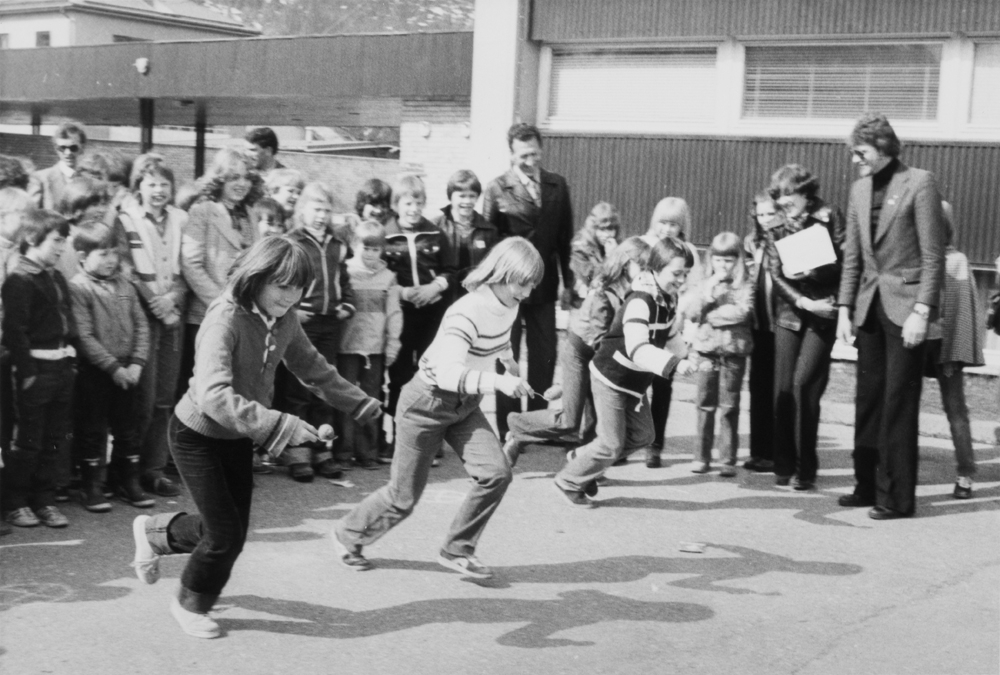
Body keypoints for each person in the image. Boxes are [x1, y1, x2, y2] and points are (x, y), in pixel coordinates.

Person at [129, 236, 381, 639]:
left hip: (237, 436)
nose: (291, 296)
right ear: (256, 277)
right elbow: (213, 397)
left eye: (299, 288)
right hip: (197, 435)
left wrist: (358, 402)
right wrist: (280, 425)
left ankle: (155, 532)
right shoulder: (224, 318)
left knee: (228, 532)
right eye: (282, 285)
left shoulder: (284, 317)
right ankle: (189, 603)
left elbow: (311, 366)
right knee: (224, 536)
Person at [333, 237, 542, 579]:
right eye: (523, 283)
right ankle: (347, 534)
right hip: (426, 403)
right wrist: (502, 383)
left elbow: (500, 335)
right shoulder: (466, 310)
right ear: (502, 273)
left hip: (464, 403)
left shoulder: (510, 303)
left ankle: (457, 549)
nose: (528, 292)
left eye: (533, 284)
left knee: (497, 473)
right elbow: (448, 373)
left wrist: (509, 362)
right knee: (403, 498)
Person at [837, 112, 946, 520]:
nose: (855, 160)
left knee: (898, 402)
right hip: (868, 306)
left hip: (906, 308)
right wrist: (845, 309)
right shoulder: (859, 189)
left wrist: (923, 310)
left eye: (860, 152)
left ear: (883, 148)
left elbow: (933, 255)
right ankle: (865, 485)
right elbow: (853, 256)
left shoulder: (920, 182)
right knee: (868, 400)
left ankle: (896, 497)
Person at [553, 238, 696, 508]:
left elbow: (670, 334)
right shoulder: (640, 301)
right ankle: (569, 481)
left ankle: (583, 459)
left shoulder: (668, 298)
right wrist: (675, 364)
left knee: (643, 436)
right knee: (611, 443)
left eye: (685, 274)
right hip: (612, 378)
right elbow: (638, 349)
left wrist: (689, 356)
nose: (681, 280)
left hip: (634, 382)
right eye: (676, 273)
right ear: (656, 268)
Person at [504, 237, 651, 460]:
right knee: (569, 421)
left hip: (601, 357)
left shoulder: (632, 291)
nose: (646, 274)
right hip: (581, 353)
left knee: (596, 420)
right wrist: (565, 385)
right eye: (642, 267)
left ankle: (585, 466)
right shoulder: (604, 293)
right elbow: (598, 341)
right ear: (626, 262)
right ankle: (518, 427)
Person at [483, 123, 574, 443]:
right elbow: (489, 243)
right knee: (505, 353)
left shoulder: (557, 185)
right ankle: (509, 426)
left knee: (544, 355)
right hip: (508, 289)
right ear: (511, 154)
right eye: (523, 155)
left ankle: (537, 423)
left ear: (541, 149)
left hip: (546, 287)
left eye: (534, 153)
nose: (530, 161)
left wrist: (568, 283)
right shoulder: (496, 189)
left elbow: (565, 239)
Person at [766, 165, 844, 490]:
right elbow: (775, 272)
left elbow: (844, 264)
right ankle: (783, 464)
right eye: (779, 198)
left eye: (789, 196)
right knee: (783, 390)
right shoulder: (775, 227)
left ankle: (806, 468)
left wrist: (813, 273)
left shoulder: (828, 217)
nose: (784, 203)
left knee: (803, 386)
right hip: (792, 312)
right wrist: (802, 300)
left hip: (823, 313)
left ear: (805, 192)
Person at [115, 154, 188, 498]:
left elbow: (187, 268)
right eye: (151, 183)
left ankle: (153, 470)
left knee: (164, 400)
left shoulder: (181, 218)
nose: (158, 190)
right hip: (142, 319)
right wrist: (154, 302)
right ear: (138, 186)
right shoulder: (125, 218)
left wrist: (172, 298)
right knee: (141, 400)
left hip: (172, 316)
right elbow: (126, 270)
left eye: (164, 183)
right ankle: (125, 472)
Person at [69, 220, 153, 512]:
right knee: (93, 429)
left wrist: (137, 364)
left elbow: (142, 325)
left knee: (127, 427)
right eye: (102, 253)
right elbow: (84, 336)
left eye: (113, 253)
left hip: (130, 369)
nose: (110, 260)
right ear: (82, 257)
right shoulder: (78, 288)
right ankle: (91, 485)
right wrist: (113, 368)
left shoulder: (125, 284)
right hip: (98, 372)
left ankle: (127, 481)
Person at [1, 210, 76, 528]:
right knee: (29, 441)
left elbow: (68, 320)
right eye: (57, 241)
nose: (61, 248)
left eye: (64, 241)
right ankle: (17, 501)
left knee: (54, 438)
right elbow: (14, 331)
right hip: (37, 371)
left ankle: (44, 499)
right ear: (32, 239)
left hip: (61, 368)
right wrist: (28, 372)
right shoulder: (19, 279)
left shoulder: (56, 276)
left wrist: (71, 360)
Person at [281, 182, 356, 481]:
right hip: (301, 323)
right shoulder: (292, 242)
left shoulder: (337, 244)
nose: (322, 215)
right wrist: (292, 310)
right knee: (298, 389)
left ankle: (322, 450)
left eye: (327, 210)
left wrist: (347, 306)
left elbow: (345, 282)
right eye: (316, 209)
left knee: (323, 388)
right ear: (302, 211)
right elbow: (281, 281)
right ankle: (298, 454)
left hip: (330, 324)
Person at [381, 173, 455, 463]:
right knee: (399, 375)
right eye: (408, 203)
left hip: (431, 314)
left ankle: (431, 441)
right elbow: (380, 275)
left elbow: (451, 270)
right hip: (400, 314)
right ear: (397, 205)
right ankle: (400, 439)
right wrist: (402, 292)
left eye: (419, 202)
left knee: (430, 375)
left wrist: (434, 287)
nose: (413, 208)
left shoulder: (436, 233)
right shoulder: (386, 234)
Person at [179, 148, 262, 400]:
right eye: (233, 177)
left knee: (236, 391)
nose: (241, 184)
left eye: (246, 177)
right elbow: (191, 264)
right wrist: (222, 303)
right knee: (207, 390)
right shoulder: (202, 211)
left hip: (244, 318)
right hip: (208, 314)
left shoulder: (249, 214)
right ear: (219, 179)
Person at [924, 202, 983, 499]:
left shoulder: (956, 260)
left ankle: (965, 475)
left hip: (944, 349)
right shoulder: (915, 257)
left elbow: (961, 315)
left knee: (955, 410)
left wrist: (952, 354)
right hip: (915, 342)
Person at [684, 232, 754, 476]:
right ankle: (701, 457)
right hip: (707, 352)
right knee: (704, 404)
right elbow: (691, 314)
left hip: (734, 352)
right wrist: (708, 293)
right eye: (718, 260)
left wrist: (712, 315)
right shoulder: (704, 283)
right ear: (710, 259)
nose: (723, 266)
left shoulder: (745, 284)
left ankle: (727, 459)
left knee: (729, 406)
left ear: (738, 261)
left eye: (729, 261)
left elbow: (743, 313)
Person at [640, 197, 701, 467]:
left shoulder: (688, 252)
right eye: (663, 222)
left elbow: (693, 288)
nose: (667, 229)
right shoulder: (644, 244)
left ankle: (655, 445)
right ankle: (623, 441)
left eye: (673, 224)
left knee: (663, 387)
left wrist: (679, 315)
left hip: (670, 328)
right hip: (642, 326)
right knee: (634, 386)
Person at [338, 219, 402, 468]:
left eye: (376, 249)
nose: (371, 254)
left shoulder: (388, 278)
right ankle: (343, 452)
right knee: (344, 399)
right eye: (366, 248)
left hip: (375, 349)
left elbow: (395, 314)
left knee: (372, 399)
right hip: (347, 348)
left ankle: (368, 452)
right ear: (355, 245)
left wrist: (393, 344)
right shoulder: (345, 272)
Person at [743, 191, 779, 472]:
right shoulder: (751, 243)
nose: (766, 220)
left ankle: (777, 451)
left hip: (782, 325)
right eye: (761, 214)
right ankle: (759, 451)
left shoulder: (789, 238)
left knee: (778, 388)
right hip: (758, 325)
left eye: (771, 213)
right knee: (758, 387)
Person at [432, 169, 498, 300]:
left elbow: (492, 270)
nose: (467, 201)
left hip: (474, 299)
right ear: (450, 196)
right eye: (462, 196)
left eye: (472, 196)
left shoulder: (489, 231)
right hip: (442, 298)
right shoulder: (435, 227)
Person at [569, 202, 621, 305]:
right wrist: (609, 257)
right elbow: (590, 280)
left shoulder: (617, 245)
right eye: (601, 229)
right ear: (593, 228)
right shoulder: (580, 247)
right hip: (583, 305)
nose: (606, 234)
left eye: (610, 229)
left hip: (606, 304)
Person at [29, 121, 87, 210]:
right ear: (56, 149)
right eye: (62, 148)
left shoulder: (88, 180)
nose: (68, 153)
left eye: (73, 148)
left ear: (82, 148)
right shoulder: (41, 178)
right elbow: (32, 215)